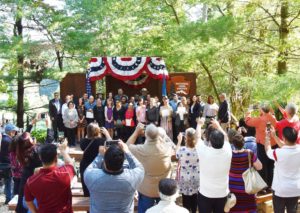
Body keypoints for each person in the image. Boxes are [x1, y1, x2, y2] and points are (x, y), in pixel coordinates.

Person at [84, 141, 144, 213]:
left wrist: (100, 155)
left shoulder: (92, 177)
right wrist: (127, 152)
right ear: (122, 162)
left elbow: (89, 169)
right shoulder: (132, 178)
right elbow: (140, 167)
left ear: (105, 162)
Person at [127, 123, 173, 213]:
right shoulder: (167, 148)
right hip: (163, 189)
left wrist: (136, 132)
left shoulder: (140, 150)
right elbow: (168, 141)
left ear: (145, 134)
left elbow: (127, 146)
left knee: (144, 210)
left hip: (146, 189)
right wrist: (156, 134)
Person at [24, 141, 75, 213]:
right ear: (56, 157)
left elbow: (28, 201)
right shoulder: (65, 173)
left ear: (40, 157)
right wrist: (63, 151)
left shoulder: (30, 181)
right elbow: (70, 164)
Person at [195, 119, 232, 213]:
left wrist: (199, 125)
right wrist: (218, 126)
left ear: (210, 141)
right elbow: (226, 137)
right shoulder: (228, 150)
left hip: (205, 193)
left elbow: (197, 138)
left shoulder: (204, 152)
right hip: (222, 193)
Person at [265, 127, 300, 213]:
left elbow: (267, 150)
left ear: (284, 138)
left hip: (280, 190)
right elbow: (288, 146)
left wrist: (267, 137)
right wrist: (274, 136)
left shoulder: (278, 153)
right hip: (295, 189)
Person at [245, 104, 277, 188]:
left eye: (259, 109)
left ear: (262, 110)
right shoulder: (273, 117)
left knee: (263, 164)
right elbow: (272, 114)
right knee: (271, 164)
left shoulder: (259, 120)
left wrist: (249, 110)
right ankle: (271, 185)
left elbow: (248, 121)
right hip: (273, 143)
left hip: (262, 144)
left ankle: (263, 187)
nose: (259, 110)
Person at [229, 133, 262, 212]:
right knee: (249, 207)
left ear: (233, 144)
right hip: (247, 185)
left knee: (234, 206)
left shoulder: (229, 154)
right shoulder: (249, 153)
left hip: (232, 185)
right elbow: (260, 167)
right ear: (243, 143)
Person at [79, 123, 112, 197]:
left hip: (85, 167)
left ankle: (88, 207)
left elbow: (85, 139)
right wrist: (107, 134)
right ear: (98, 131)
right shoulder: (102, 141)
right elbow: (111, 145)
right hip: (98, 167)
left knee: (87, 191)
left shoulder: (83, 142)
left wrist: (89, 134)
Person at [176, 129, 199, 213]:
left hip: (185, 177)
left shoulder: (182, 150)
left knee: (185, 200)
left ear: (186, 137)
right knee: (195, 197)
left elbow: (176, 154)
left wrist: (179, 141)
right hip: (196, 177)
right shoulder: (199, 149)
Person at [0, 123, 18, 204]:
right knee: (8, 182)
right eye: (14, 131)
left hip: (2, 163)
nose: (14, 133)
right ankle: (8, 198)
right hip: (7, 164)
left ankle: (8, 198)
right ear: (10, 132)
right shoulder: (9, 140)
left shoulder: (3, 139)